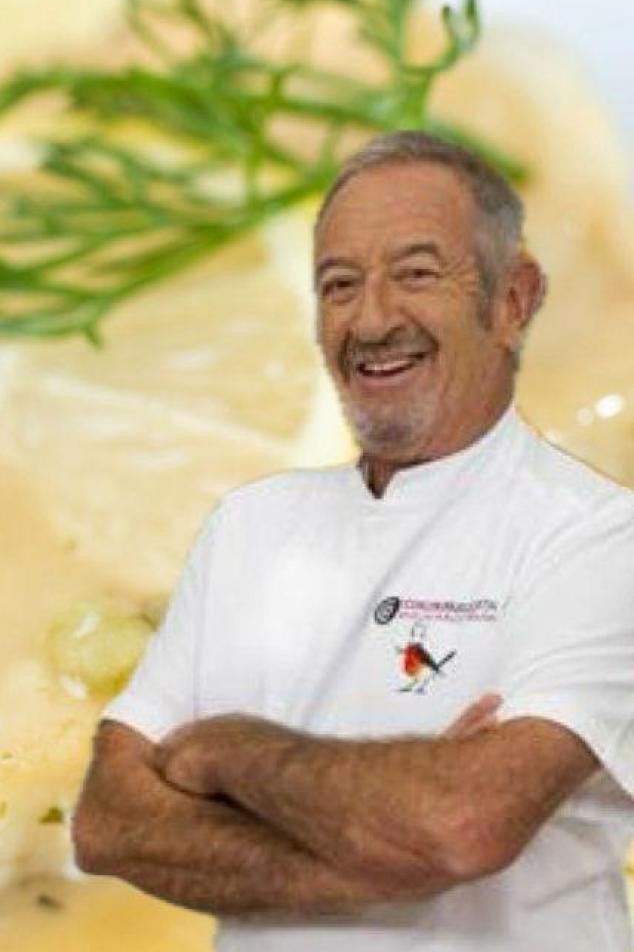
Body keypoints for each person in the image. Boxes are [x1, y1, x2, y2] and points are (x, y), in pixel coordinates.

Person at [70, 129, 634, 951]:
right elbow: (110, 826)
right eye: (340, 285)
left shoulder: (598, 535)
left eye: (416, 274)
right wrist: (388, 851)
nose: (372, 320)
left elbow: (462, 824)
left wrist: (226, 751)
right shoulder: (248, 527)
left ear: (514, 299)